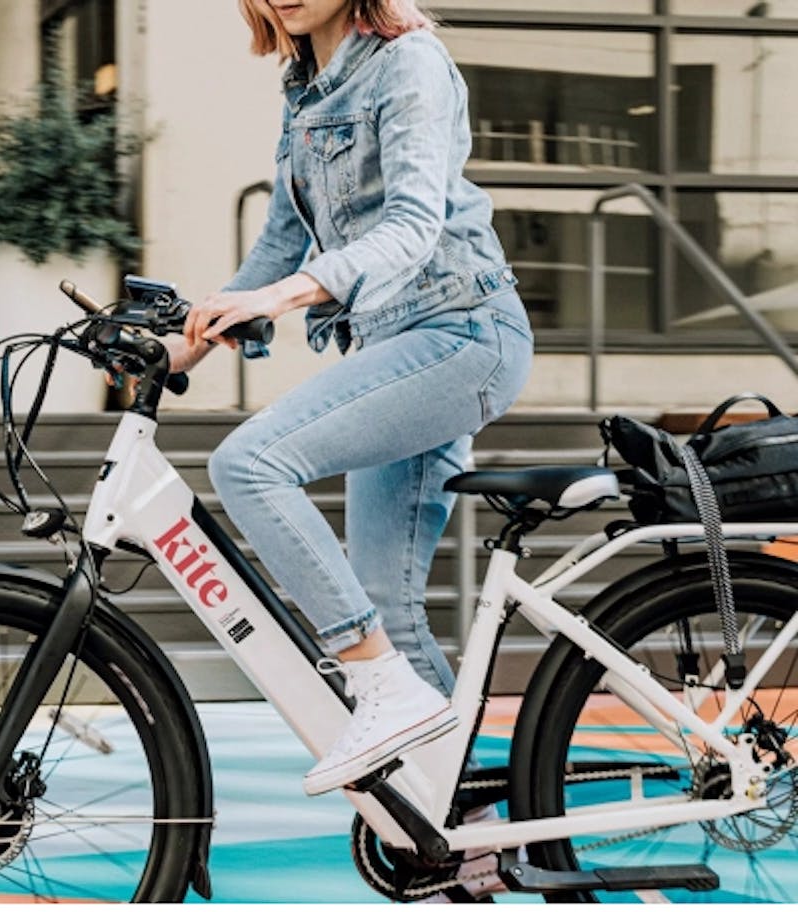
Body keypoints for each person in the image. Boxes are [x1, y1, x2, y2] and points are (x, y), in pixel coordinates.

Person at [166, 0, 534, 800]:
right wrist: (189, 332)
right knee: (387, 612)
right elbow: (280, 239)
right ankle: (454, 842)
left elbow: (410, 224)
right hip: (397, 345)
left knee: (252, 463)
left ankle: (382, 688)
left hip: (463, 332)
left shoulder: (410, 61)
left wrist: (289, 297)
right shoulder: (305, 86)